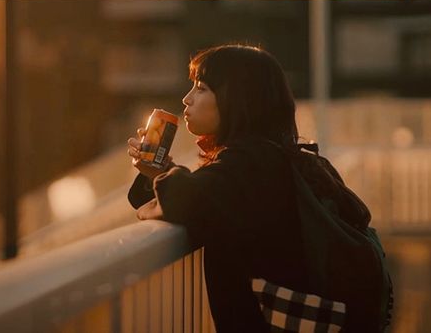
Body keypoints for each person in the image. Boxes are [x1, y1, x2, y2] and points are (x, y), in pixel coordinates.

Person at [127, 44, 391, 333]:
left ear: (237, 99)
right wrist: (158, 174)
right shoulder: (275, 157)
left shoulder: (250, 162)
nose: (186, 99)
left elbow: (187, 200)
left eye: (201, 88)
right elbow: (202, 197)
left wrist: (162, 172)